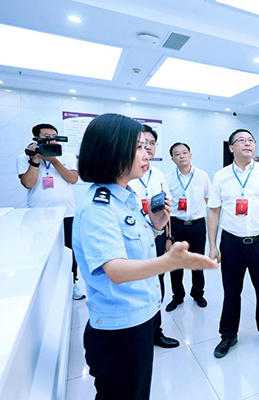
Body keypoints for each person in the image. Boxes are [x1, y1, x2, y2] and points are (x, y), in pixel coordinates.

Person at [73, 113, 216, 400]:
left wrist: (156, 225)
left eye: (147, 146)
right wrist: (170, 262)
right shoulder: (98, 208)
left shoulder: (123, 198)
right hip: (119, 328)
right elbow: (116, 270)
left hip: (139, 317)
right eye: (138, 147)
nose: (147, 153)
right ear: (113, 151)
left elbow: (131, 248)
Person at [208, 129, 259, 358]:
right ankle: (228, 335)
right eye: (241, 140)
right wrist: (212, 245)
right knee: (231, 291)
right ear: (231, 148)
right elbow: (213, 211)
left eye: (251, 140)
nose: (247, 143)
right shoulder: (221, 176)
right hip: (231, 243)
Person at [17, 123, 84, 300]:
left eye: (54, 136)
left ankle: (72, 283)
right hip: (39, 214)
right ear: (36, 138)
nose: (51, 140)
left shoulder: (67, 157)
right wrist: (35, 159)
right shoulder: (25, 157)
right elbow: (28, 183)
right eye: (47, 137)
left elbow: (73, 179)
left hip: (67, 214)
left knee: (69, 250)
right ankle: (45, 284)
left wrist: (54, 160)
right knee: (41, 249)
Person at [128, 125, 179, 349]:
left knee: (157, 282)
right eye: (142, 143)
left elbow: (167, 209)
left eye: (151, 143)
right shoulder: (126, 174)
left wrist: (168, 238)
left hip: (156, 236)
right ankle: (137, 333)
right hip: (133, 239)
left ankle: (156, 331)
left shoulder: (158, 175)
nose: (148, 148)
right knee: (136, 284)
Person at [164, 143, 211, 311]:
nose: (181, 156)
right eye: (177, 154)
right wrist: (168, 235)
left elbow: (207, 199)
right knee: (176, 263)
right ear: (172, 159)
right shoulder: (168, 178)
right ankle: (177, 296)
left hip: (197, 225)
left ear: (190, 155)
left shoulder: (203, 176)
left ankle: (198, 293)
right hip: (177, 224)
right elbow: (166, 208)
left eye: (184, 152)